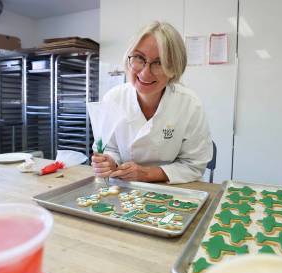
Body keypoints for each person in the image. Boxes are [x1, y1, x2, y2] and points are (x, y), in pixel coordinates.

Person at [91, 21, 213, 184]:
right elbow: (110, 148)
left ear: (174, 68)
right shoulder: (113, 99)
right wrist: (109, 162)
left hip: (173, 191)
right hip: (124, 189)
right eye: (139, 58)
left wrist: (148, 174)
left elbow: (194, 165)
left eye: (159, 62)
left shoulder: (190, 104)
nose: (145, 72)